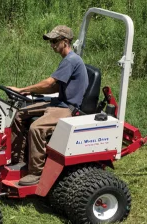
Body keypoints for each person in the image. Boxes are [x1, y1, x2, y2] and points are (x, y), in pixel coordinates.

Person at [8, 25, 89, 186]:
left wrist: (23, 89)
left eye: (54, 41)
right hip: (59, 101)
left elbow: (49, 83)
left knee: (36, 128)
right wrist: (26, 93)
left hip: (68, 107)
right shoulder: (67, 60)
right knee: (19, 114)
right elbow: (55, 86)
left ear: (65, 42)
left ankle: (36, 173)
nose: (51, 45)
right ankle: (19, 159)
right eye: (50, 41)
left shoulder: (71, 61)